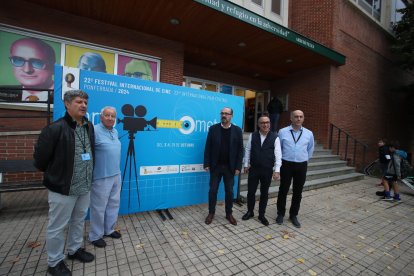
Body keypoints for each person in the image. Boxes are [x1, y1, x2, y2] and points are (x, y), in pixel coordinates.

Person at [33, 90, 95, 276]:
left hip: (84, 186)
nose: (83, 105)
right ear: (67, 105)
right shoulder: (55, 129)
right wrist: (57, 175)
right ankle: (54, 262)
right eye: (78, 102)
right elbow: (40, 160)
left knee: (78, 220)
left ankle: (74, 250)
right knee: (57, 226)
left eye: (85, 102)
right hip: (63, 188)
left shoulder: (88, 126)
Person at [204, 107, 244, 226]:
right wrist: (206, 163)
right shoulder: (213, 129)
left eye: (227, 113)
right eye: (222, 113)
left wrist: (238, 167)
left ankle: (229, 214)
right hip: (216, 167)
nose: (224, 115)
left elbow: (240, 151)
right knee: (212, 191)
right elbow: (208, 147)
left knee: (230, 192)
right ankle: (211, 213)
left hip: (230, 168)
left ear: (231, 116)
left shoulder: (237, 130)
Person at [89, 106, 122, 248]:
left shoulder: (115, 131)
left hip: (116, 174)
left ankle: (109, 229)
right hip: (101, 176)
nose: (110, 118)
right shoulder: (94, 130)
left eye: (113, 116)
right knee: (98, 207)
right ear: (101, 117)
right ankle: (95, 235)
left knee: (113, 204)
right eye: (107, 115)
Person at [276, 110, 314, 228]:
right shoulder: (282, 132)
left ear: (303, 118)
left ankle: (293, 215)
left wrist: (304, 159)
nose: (298, 118)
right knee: (283, 189)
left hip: (301, 165)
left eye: (301, 116)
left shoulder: (309, 133)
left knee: (298, 191)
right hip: (286, 164)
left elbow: (310, 149)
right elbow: (279, 149)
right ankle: (280, 213)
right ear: (291, 118)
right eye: (296, 116)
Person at [242, 115, 282, 226]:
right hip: (254, 169)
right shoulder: (253, 135)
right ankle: (250, 212)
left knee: (264, 193)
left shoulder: (275, 137)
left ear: (270, 123)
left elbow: (278, 155)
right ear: (258, 124)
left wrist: (277, 170)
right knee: (251, 192)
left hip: (267, 170)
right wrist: (246, 164)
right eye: (262, 122)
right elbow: (248, 150)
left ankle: (261, 215)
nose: (265, 124)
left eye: (267, 122)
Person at [9, 37, 55, 101]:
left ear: (53, 67)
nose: (27, 70)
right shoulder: (4, 93)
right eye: (18, 60)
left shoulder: (65, 97)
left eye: (37, 62)